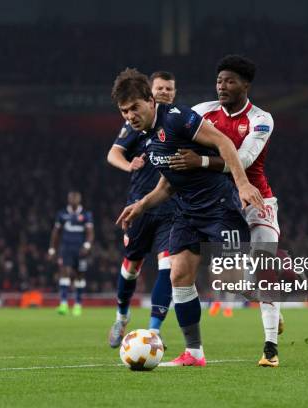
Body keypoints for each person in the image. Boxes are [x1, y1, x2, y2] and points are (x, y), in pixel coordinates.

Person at [112, 68, 264, 366]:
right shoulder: (147, 137)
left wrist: (243, 183)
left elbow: (224, 143)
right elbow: (168, 182)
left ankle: (271, 291)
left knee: (233, 281)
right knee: (179, 275)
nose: (129, 115)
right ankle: (194, 353)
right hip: (186, 211)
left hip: (219, 206)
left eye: (134, 108)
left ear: (149, 100)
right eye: (123, 111)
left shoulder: (178, 117)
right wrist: (141, 205)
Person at [168, 55, 283, 367]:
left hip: (257, 202)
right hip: (218, 204)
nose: (222, 86)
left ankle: (270, 347)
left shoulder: (261, 119)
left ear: (246, 85)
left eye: (230, 81)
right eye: (219, 81)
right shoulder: (202, 112)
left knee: (261, 269)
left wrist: (201, 161)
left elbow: (243, 161)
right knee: (238, 284)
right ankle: (272, 304)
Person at [107, 71, 177, 348]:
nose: (164, 92)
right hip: (139, 206)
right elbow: (113, 153)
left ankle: (154, 331)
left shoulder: (175, 122)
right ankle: (121, 317)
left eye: (169, 89)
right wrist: (130, 165)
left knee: (168, 267)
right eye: (160, 88)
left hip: (170, 207)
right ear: (151, 91)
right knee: (131, 268)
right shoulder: (135, 124)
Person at [48, 191, 94, 316]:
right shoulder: (62, 214)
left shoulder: (86, 215)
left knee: (79, 276)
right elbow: (55, 233)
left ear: (80, 199)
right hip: (66, 248)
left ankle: (78, 304)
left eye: (76, 198)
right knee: (64, 273)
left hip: (80, 250)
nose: (73, 200)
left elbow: (90, 232)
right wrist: (52, 249)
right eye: (71, 198)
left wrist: (87, 245)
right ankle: (63, 303)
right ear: (68, 199)